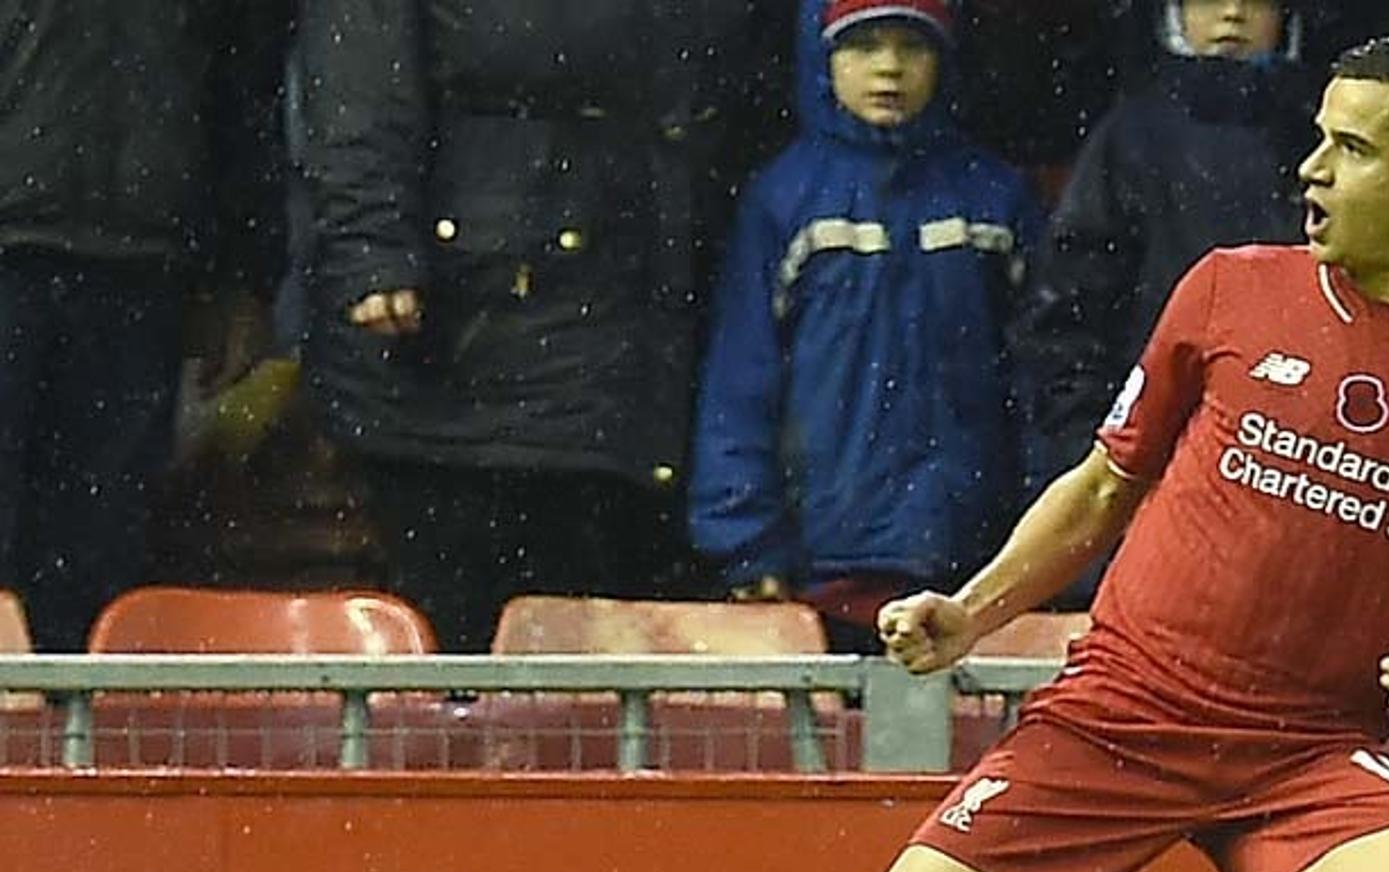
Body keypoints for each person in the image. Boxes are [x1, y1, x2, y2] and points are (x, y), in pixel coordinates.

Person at [836, 36, 1389, 872]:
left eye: (1352, 149)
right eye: (1319, 140)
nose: (1312, 169)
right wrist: (972, 613)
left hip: (1306, 752)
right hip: (1121, 713)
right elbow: (1104, 485)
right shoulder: (1231, 286)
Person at [297, 0, 791, 651]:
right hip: (468, 339)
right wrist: (374, 245)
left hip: (638, 327)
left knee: (599, 657)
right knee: (480, 637)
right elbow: (357, 80)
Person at [690, 0, 1042, 655]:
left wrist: (1044, 546)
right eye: (863, 46)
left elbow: (1039, 385)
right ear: (822, 59)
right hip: (819, 571)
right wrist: (746, 540)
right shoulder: (783, 199)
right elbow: (741, 382)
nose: (889, 68)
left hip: (968, 573)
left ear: (945, 60)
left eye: (913, 47)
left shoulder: (995, 199)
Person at [0, 0, 289, 650]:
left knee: (99, 564)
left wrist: (245, 275)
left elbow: (247, 85)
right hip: (37, 253)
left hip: (141, 266)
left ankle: (80, 747)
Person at [1011, 0, 1320, 507]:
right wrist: (1099, 453)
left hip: (1300, 454)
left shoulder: (1321, 135)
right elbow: (1065, 317)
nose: (1233, 14)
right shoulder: (1129, 139)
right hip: (1152, 450)